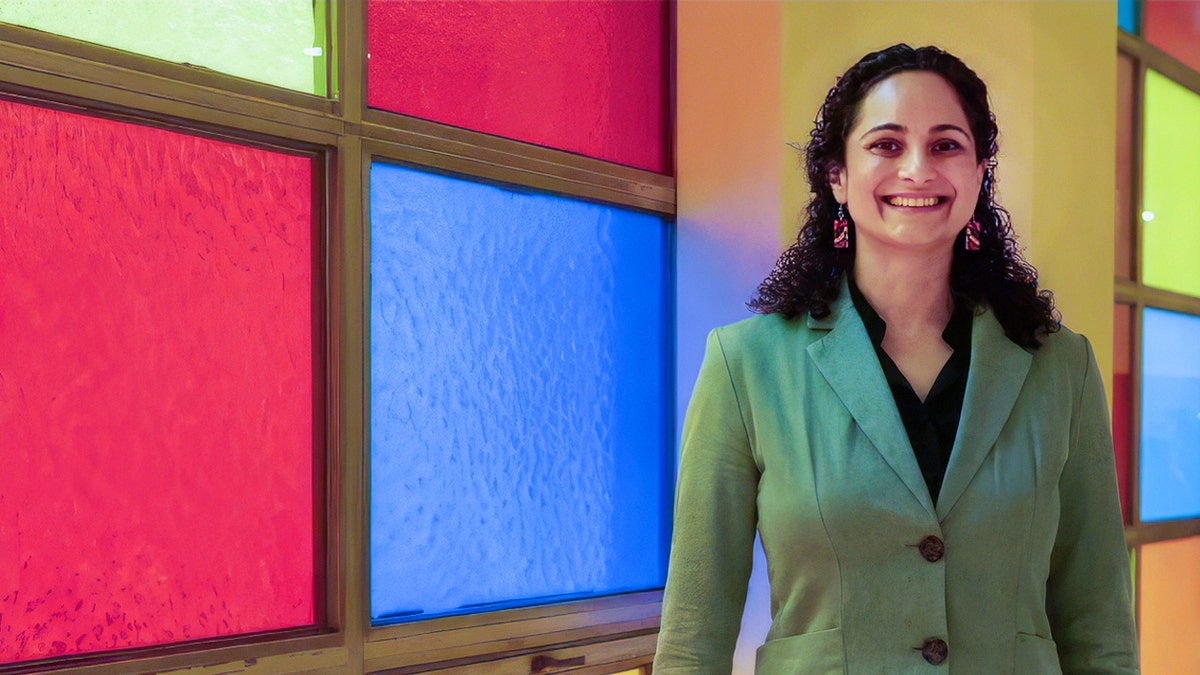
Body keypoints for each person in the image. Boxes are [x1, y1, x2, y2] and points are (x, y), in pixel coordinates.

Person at [652, 44, 1138, 673]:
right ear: (837, 175)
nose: (917, 169)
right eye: (886, 145)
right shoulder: (746, 364)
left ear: (980, 171)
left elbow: (1098, 624)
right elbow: (695, 631)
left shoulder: (1059, 367)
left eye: (945, 145)